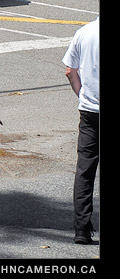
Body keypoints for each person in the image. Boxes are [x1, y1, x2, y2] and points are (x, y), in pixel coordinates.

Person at [62, 17, 99, 244]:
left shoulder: (84, 33)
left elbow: (70, 70)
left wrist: (81, 94)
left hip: (89, 110)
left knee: (85, 170)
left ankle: (81, 229)